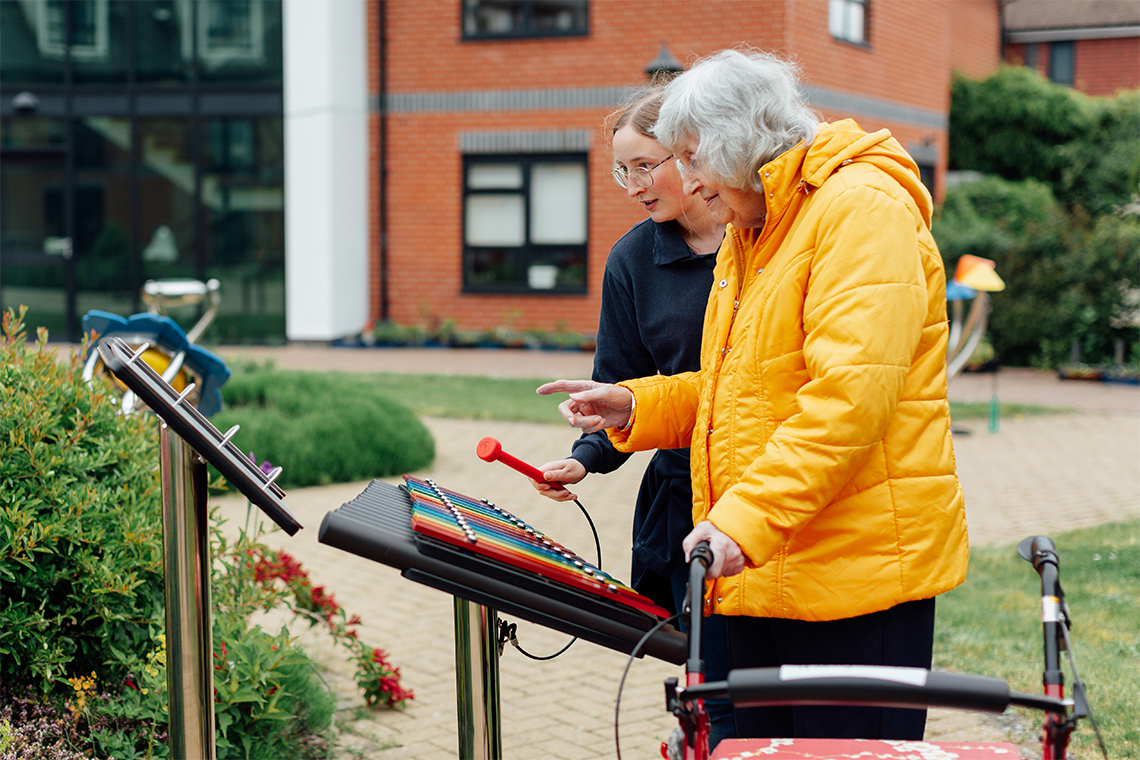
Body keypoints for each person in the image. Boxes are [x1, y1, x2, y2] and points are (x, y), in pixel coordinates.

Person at [537, 49, 969, 742]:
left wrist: (744, 520)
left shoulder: (860, 211)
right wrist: (640, 407)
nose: (687, 179)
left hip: (849, 577)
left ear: (731, 146)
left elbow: (846, 401)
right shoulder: (757, 228)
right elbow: (746, 388)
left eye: (689, 158)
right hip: (769, 566)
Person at [529, 88, 735, 746]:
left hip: (767, 500)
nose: (633, 186)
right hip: (681, 506)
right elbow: (621, 387)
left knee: (766, 693)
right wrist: (584, 458)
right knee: (710, 695)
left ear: (694, 150)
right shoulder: (631, 260)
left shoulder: (765, 239)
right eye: (623, 171)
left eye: (644, 165)